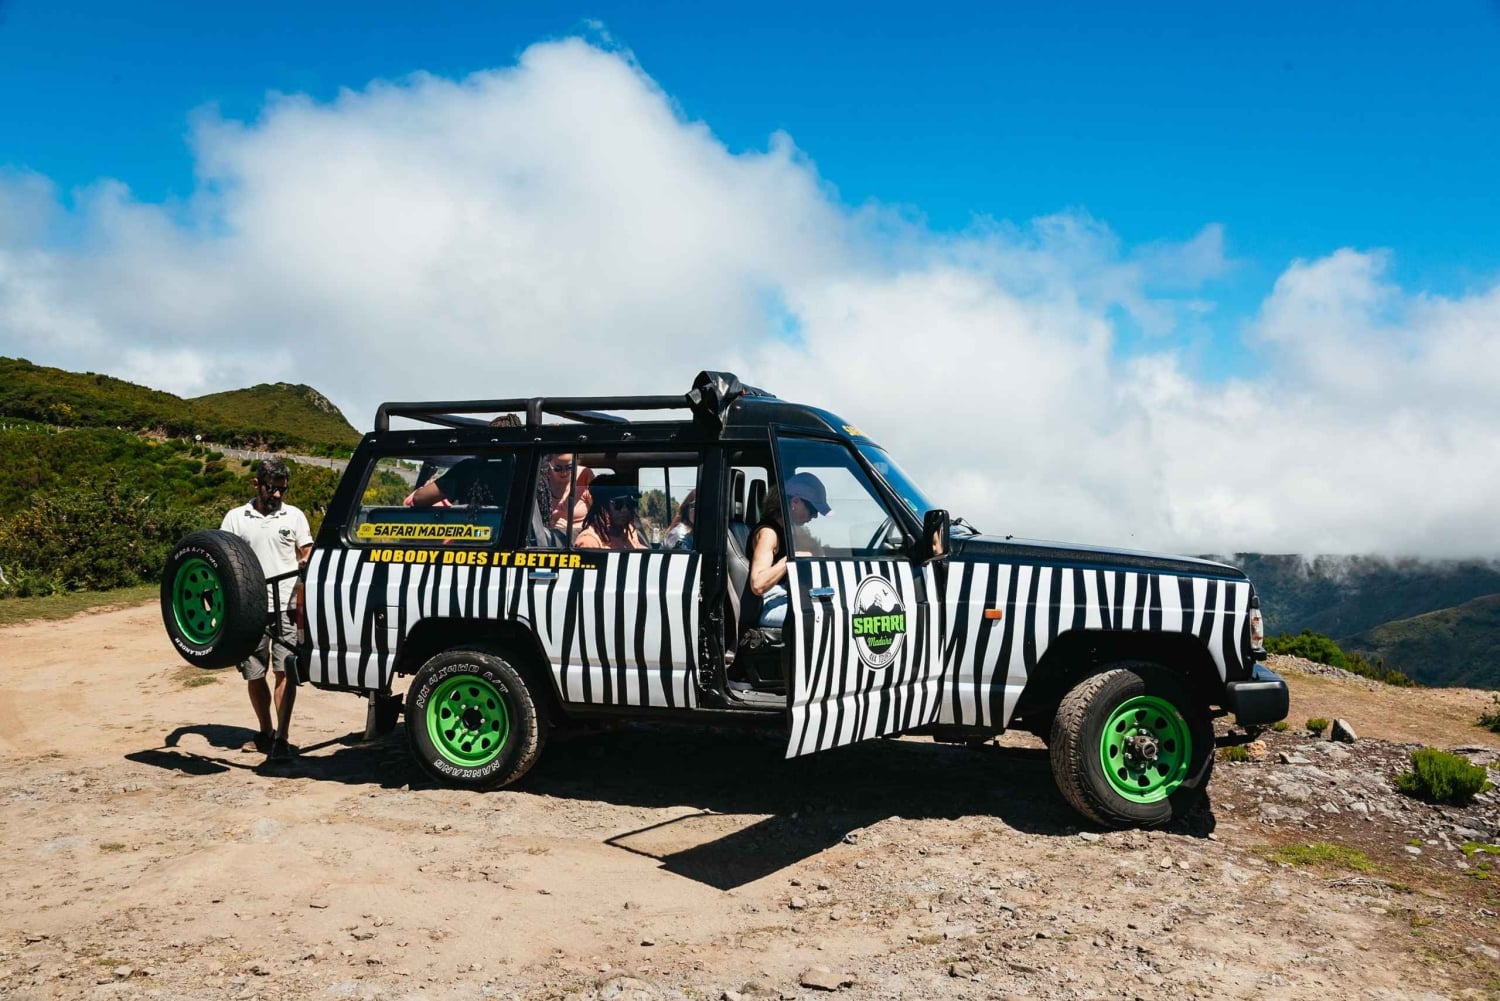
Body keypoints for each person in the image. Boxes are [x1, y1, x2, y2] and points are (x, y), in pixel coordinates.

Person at [219, 457, 313, 761]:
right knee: (254, 673)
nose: (277, 496)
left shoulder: (294, 516)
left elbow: (307, 553)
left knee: (285, 672)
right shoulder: (235, 518)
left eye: (282, 490)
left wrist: (305, 563)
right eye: (271, 489)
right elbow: (223, 558)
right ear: (256, 484)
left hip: (286, 605)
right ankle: (265, 732)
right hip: (250, 609)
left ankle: (283, 739)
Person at [749, 472, 829, 627]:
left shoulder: (788, 530)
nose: (815, 517)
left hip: (787, 598)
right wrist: (791, 559)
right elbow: (758, 584)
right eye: (812, 510)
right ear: (795, 502)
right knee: (824, 619)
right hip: (770, 605)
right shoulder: (768, 534)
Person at [573, 475, 648, 550]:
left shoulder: (629, 532)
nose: (625, 509)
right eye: (618, 504)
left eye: (629, 504)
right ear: (602, 506)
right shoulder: (590, 541)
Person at [536, 452, 593, 541]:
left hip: (581, 537)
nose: (564, 473)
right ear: (549, 464)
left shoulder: (584, 475)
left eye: (569, 467)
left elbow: (601, 514)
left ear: (576, 462)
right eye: (558, 468)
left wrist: (570, 528)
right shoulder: (541, 479)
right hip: (548, 537)